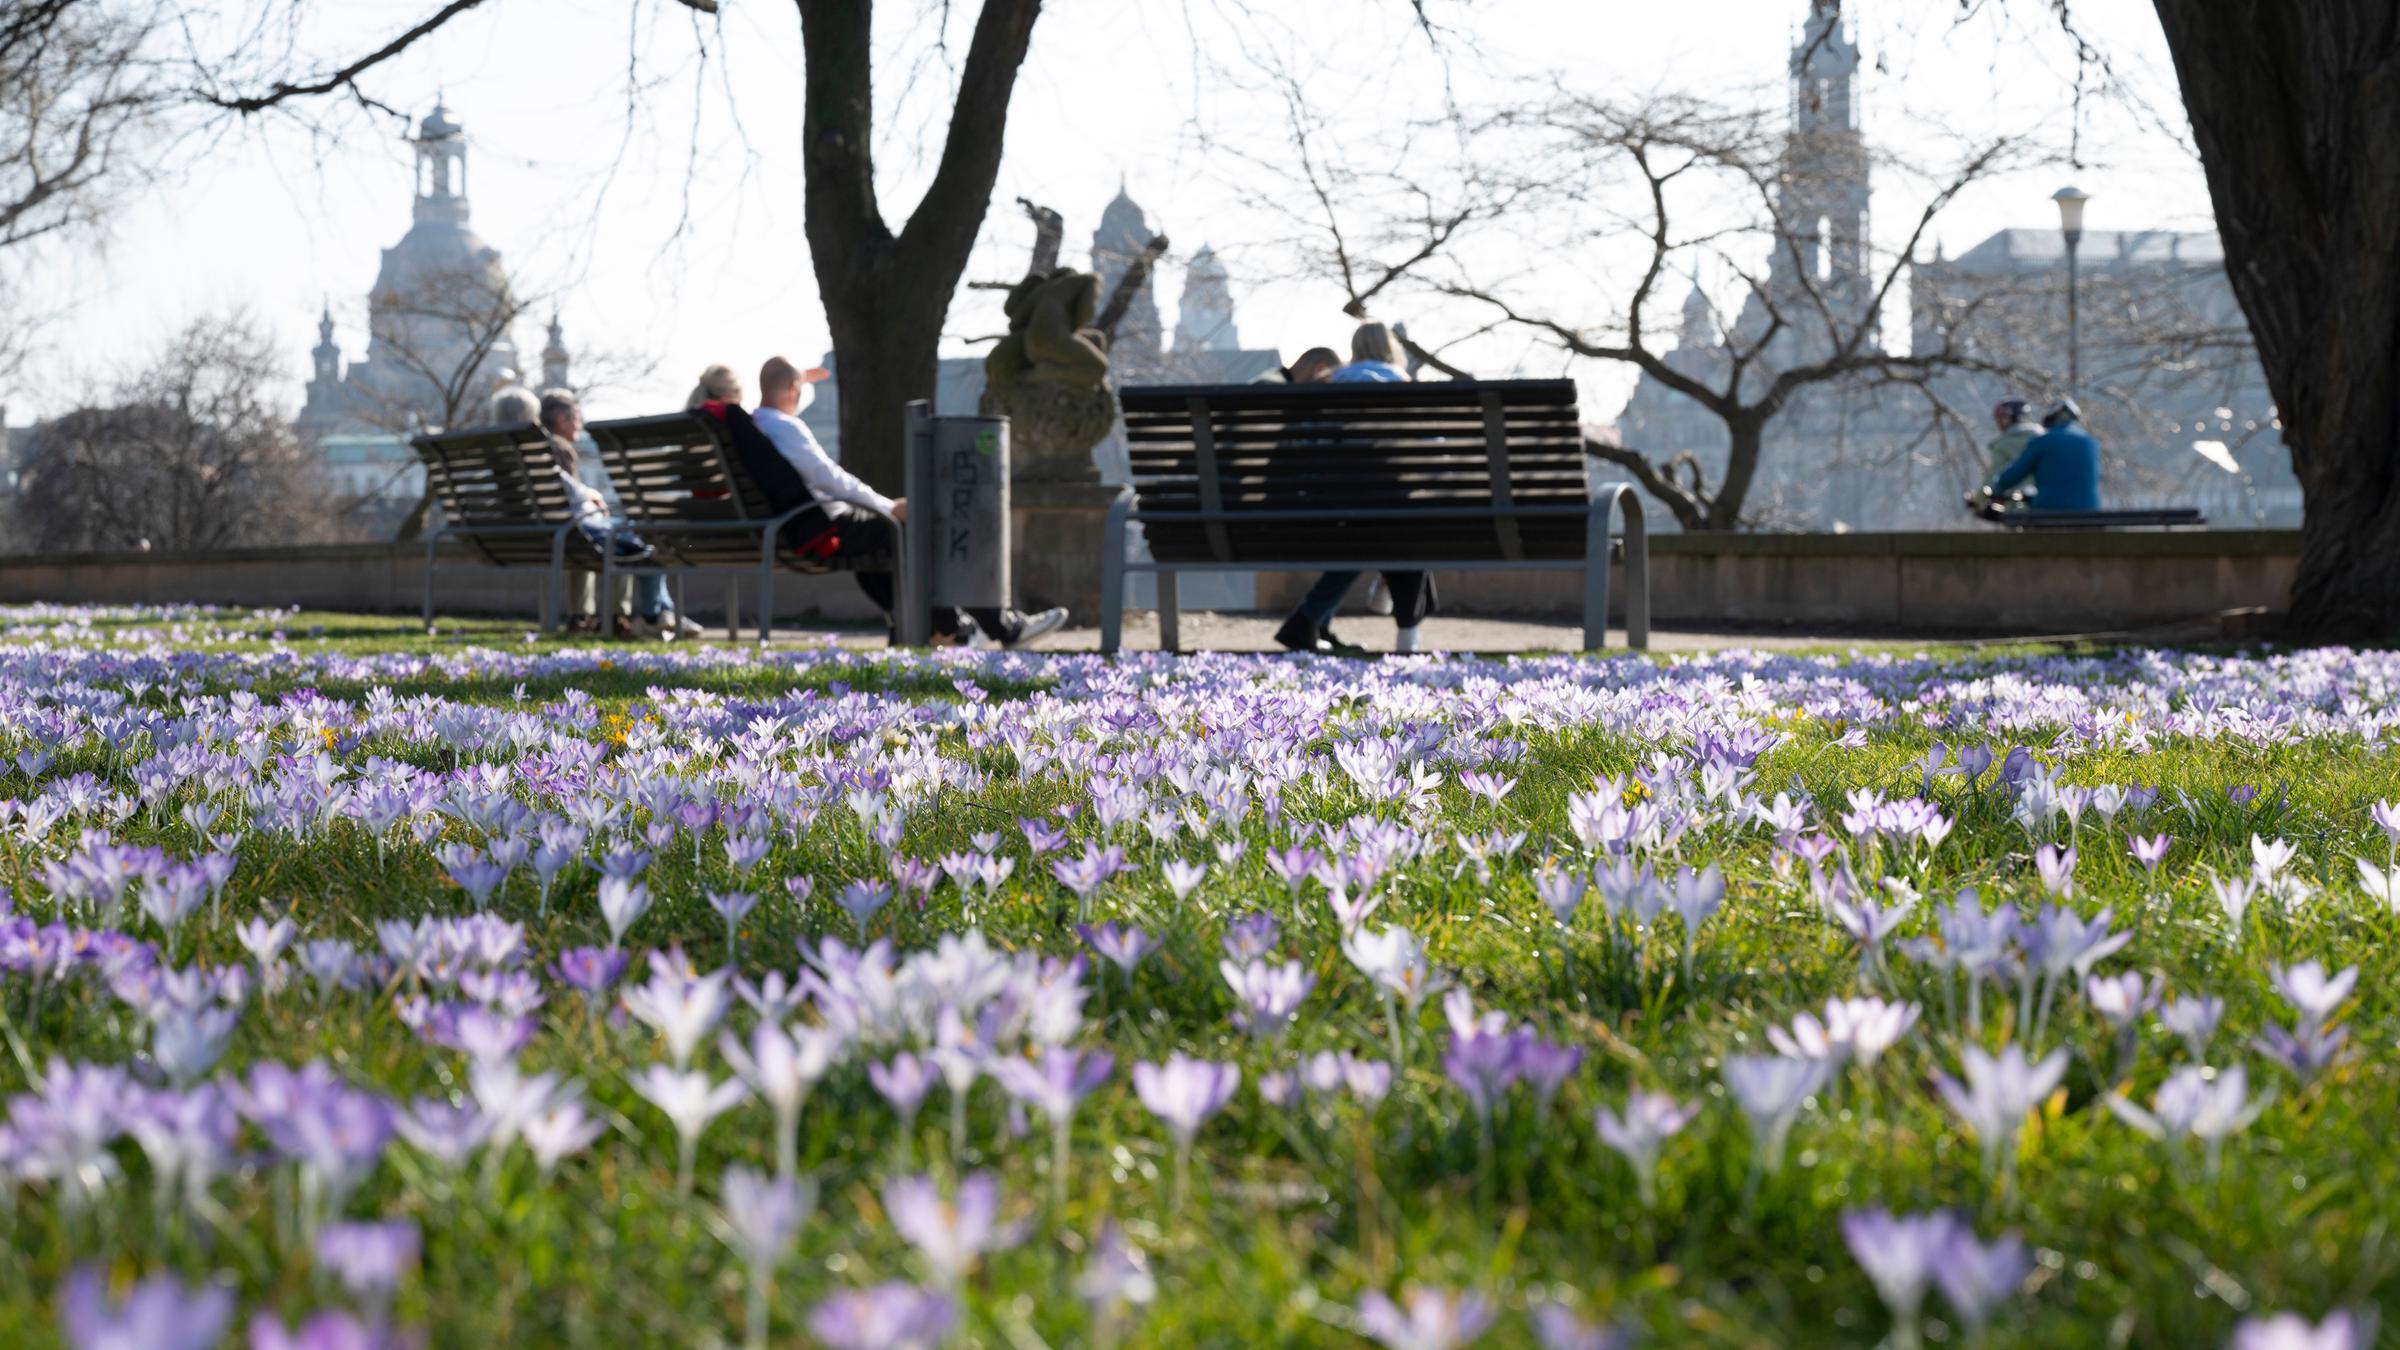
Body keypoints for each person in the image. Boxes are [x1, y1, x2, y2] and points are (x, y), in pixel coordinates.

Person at [743, 355, 1067, 648]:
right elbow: (829, 477)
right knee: (919, 526)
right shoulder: (785, 427)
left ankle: (944, 627)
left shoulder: (757, 427)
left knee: (883, 543)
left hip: (799, 525)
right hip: (820, 524)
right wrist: (887, 507)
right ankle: (993, 626)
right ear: (792, 391)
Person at [1271, 322, 1437, 654]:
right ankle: (1399, 625)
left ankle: (1311, 620)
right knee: (1401, 537)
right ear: (1391, 348)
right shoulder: (1401, 384)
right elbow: (1432, 445)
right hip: (1390, 501)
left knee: (1363, 539)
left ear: (1354, 349)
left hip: (1333, 501)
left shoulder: (1330, 383)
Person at [536, 388, 703, 640]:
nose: (579, 423)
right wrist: (590, 497)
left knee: (620, 535)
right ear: (561, 418)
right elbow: (569, 497)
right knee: (632, 536)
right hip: (575, 530)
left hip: (551, 532)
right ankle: (631, 615)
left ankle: (582, 616)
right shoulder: (559, 448)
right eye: (577, 416)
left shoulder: (536, 449)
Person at [1980, 397, 2102, 513]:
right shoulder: (2091, 443)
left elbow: (2014, 474)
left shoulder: (2042, 441)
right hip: (2089, 512)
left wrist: (1996, 489)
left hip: (2048, 512)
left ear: (2050, 419)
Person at [1984, 397, 2042, 482]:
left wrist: (1979, 495)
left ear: (2008, 419)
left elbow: (1992, 479)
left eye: (2000, 419)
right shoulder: (2044, 436)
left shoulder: (2003, 445)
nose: (1998, 424)